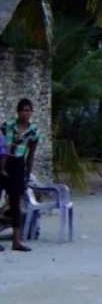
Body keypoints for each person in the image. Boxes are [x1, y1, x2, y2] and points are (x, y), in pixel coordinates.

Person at [0, 98, 41, 252]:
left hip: (18, 165)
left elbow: (30, 156)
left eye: (28, 110)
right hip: (3, 161)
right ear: (18, 112)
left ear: (31, 112)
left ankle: (16, 240)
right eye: (23, 109)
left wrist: (27, 176)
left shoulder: (34, 132)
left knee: (15, 203)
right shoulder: (7, 126)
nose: (26, 113)